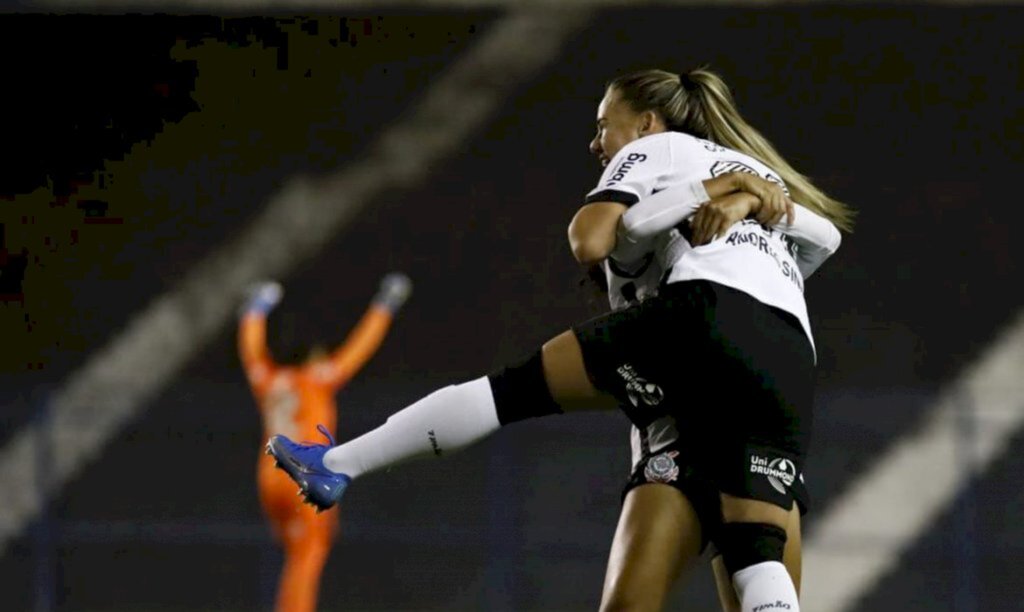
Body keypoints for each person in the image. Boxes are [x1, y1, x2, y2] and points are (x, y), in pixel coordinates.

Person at [265, 66, 854, 612]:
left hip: (703, 322)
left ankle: (339, 462)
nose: (597, 144)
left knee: (511, 392)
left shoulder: (660, 147)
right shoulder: (750, 175)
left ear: (646, 121)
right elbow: (823, 235)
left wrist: (715, 192)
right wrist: (747, 194)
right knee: (755, 553)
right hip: (785, 356)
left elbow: (590, 239)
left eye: (604, 125)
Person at [239, 273, 411, 612]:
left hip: (269, 479)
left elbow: (251, 355)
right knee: (309, 555)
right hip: (304, 478)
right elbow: (357, 350)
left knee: (296, 553)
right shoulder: (316, 379)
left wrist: (254, 313)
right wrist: (384, 306)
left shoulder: (270, 381)